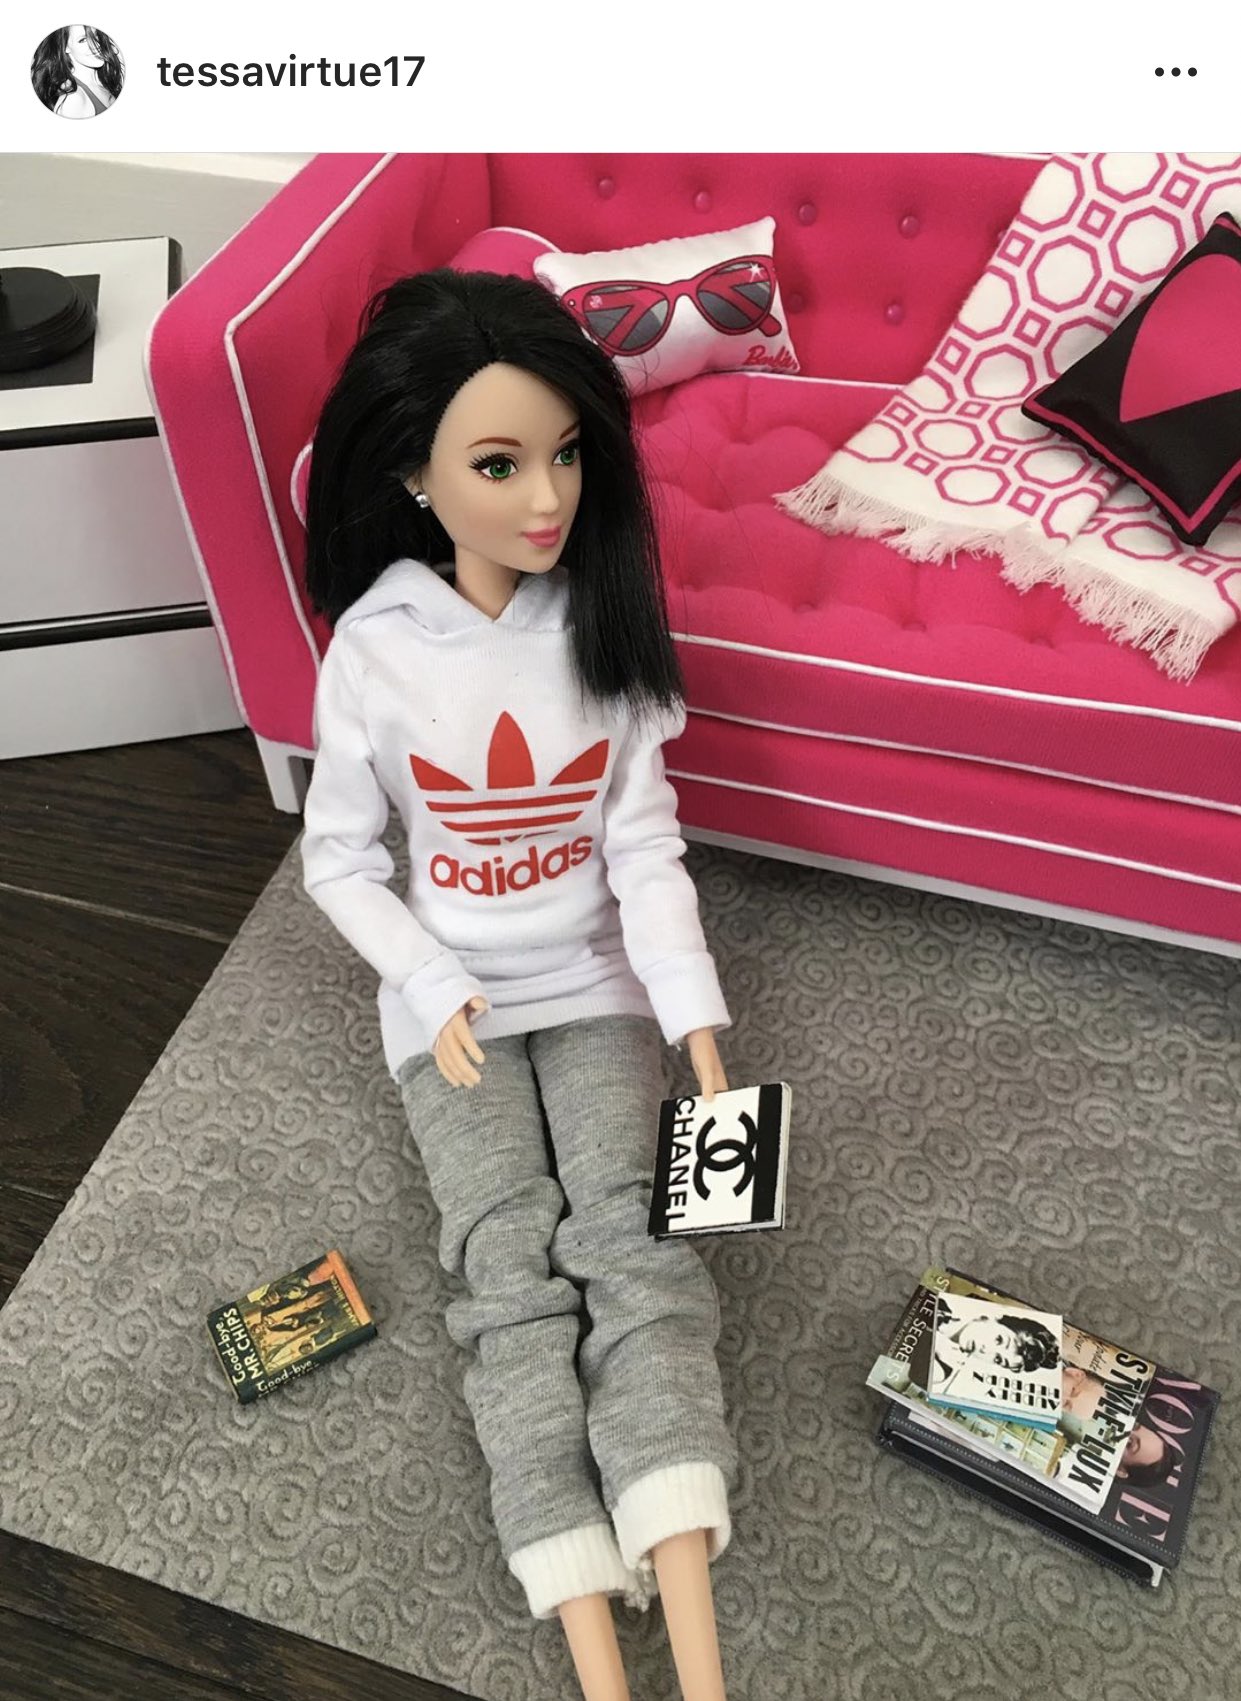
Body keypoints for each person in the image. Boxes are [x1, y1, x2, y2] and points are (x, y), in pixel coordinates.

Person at [300, 267, 738, 1701]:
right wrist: (429, 981)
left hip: (596, 980)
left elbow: (643, 843)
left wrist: (694, 1019)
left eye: (563, 455)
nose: (545, 499)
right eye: (497, 465)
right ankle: (591, 1628)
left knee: (631, 1240)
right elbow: (339, 862)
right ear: (412, 475)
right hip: (456, 1010)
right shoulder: (375, 653)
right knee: (503, 1268)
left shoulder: (597, 616)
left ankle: (698, 1656)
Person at [30, 24, 123, 118]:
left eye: (96, 35)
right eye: (82, 40)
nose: (96, 45)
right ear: (65, 47)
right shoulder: (73, 100)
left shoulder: (104, 80)